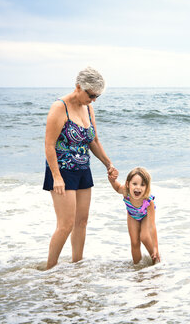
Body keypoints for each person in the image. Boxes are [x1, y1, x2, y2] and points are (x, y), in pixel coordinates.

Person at [43, 66, 118, 269]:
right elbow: (49, 145)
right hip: (63, 170)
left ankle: (77, 265)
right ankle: (49, 269)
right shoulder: (60, 107)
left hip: (83, 168)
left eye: (97, 97)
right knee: (66, 225)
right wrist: (56, 177)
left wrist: (108, 164)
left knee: (81, 222)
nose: (93, 100)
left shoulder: (88, 107)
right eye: (91, 95)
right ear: (78, 87)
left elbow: (93, 140)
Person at [108, 167, 160, 264]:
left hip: (145, 216)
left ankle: (156, 260)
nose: (138, 187)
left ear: (147, 187)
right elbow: (117, 187)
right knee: (134, 242)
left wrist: (155, 246)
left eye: (142, 185)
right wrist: (112, 181)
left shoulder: (149, 202)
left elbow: (152, 227)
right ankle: (137, 268)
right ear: (128, 184)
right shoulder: (125, 191)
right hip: (132, 215)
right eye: (134, 184)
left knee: (144, 236)